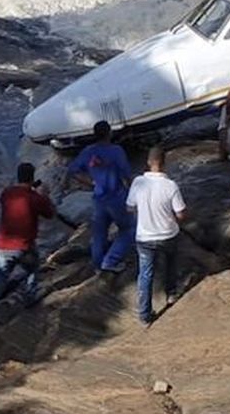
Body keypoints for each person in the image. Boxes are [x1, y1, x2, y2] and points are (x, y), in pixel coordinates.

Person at [0, 162, 56, 326]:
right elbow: (50, 214)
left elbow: (12, 200)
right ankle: (30, 297)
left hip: (3, 245)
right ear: (32, 178)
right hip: (23, 246)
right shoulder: (34, 198)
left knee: (0, 276)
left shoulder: (7, 193)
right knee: (32, 269)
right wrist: (44, 195)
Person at [126, 145, 187, 326]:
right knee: (171, 263)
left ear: (148, 162)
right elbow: (181, 213)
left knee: (145, 274)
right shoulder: (170, 186)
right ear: (164, 163)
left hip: (145, 237)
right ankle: (171, 293)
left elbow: (129, 208)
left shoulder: (138, 183)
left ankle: (145, 316)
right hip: (168, 234)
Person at [66, 120, 134, 276]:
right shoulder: (116, 151)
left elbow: (73, 171)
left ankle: (97, 265)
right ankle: (110, 261)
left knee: (99, 233)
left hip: (98, 198)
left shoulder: (88, 151)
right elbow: (127, 175)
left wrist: (91, 183)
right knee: (128, 228)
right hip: (116, 197)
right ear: (109, 133)